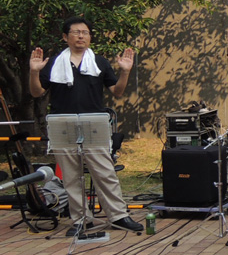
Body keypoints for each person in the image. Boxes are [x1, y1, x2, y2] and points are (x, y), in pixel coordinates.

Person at [28, 17, 144, 237]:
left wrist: (125, 71)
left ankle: (118, 215)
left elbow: (117, 91)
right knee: (71, 176)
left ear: (90, 37)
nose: (81, 36)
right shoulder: (54, 63)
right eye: (76, 32)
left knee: (105, 172)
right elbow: (37, 92)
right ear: (65, 37)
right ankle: (81, 219)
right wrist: (34, 71)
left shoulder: (99, 62)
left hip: (94, 123)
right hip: (62, 123)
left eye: (85, 32)